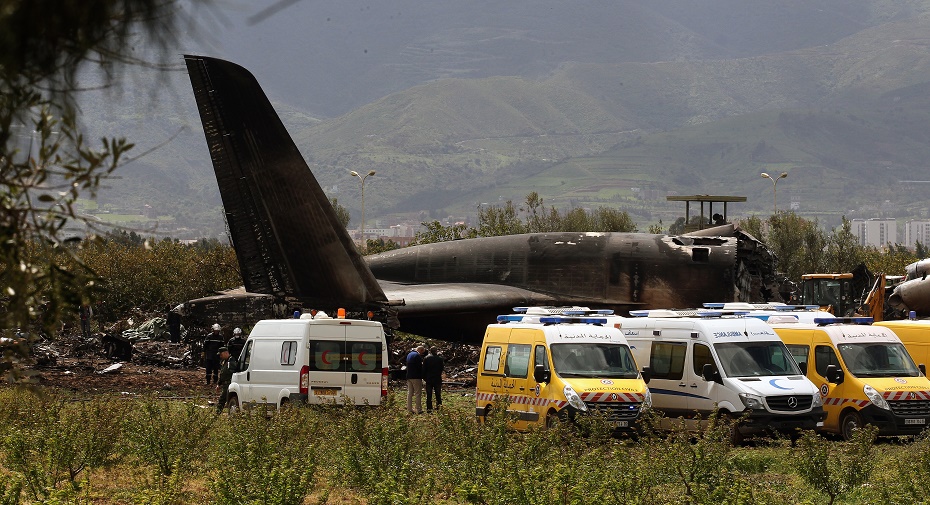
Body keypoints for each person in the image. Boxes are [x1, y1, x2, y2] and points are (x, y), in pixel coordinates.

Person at [423, 346, 445, 412]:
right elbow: (442, 368)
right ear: (436, 351)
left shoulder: (426, 358)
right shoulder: (440, 359)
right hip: (437, 378)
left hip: (429, 378)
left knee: (429, 394)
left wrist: (424, 378)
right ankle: (439, 406)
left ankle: (429, 408)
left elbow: (424, 369)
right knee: (438, 393)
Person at [406, 345, 426, 414]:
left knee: (410, 393)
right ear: (420, 350)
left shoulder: (409, 354)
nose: (421, 354)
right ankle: (418, 409)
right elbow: (419, 367)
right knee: (418, 393)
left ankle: (409, 408)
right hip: (416, 377)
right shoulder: (417, 356)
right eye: (422, 353)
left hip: (409, 376)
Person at [215, 347, 234, 414]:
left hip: (229, 383)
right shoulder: (224, 362)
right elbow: (222, 374)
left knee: (222, 400)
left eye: (221, 354)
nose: (220, 356)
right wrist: (219, 384)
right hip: (224, 384)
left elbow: (231, 372)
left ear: (226, 353)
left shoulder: (231, 361)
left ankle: (217, 414)